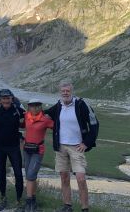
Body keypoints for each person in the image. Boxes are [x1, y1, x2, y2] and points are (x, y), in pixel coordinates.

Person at [45, 82, 99, 212]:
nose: (65, 93)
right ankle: (67, 206)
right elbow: (44, 114)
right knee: (64, 177)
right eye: (63, 91)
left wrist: (86, 143)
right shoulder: (58, 106)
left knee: (80, 178)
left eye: (67, 91)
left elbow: (94, 124)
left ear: (72, 91)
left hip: (77, 147)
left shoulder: (81, 104)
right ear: (60, 92)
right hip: (61, 147)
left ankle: (85, 208)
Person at [0, 89, 25, 211]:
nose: (6, 100)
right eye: (3, 98)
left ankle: (19, 201)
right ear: (0, 99)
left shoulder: (18, 110)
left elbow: (30, 119)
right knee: (2, 172)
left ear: (11, 98)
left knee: (18, 173)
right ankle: (3, 199)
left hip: (14, 147)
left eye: (8, 98)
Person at [22, 99, 54, 212]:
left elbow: (57, 128)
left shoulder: (45, 120)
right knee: (29, 175)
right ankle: (33, 200)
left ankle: (29, 202)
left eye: (37, 106)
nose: (34, 108)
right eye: (32, 106)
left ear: (40, 107)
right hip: (26, 149)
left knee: (30, 175)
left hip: (38, 150)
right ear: (28, 107)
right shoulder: (26, 116)